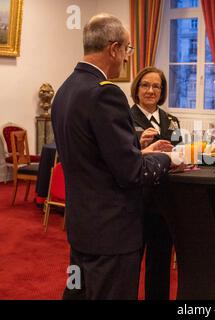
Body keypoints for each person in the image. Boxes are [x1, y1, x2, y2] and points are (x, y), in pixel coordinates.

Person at [51, 13, 179, 300]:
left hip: (83, 225)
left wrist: (138, 148)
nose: (126, 58)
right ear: (114, 49)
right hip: (112, 233)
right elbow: (133, 173)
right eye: (127, 49)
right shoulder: (106, 93)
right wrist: (169, 159)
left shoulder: (66, 89)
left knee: (78, 293)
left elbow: (90, 151)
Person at [129, 67, 180, 300]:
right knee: (130, 263)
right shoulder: (123, 118)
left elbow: (179, 155)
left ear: (162, 91)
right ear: (137, 88)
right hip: (136, 201)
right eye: (145, 85)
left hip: (165, 202)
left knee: (159, 264)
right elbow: (121, 158)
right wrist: (140, 147)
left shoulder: (172, 120)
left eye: (156, 86)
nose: (151, 90)